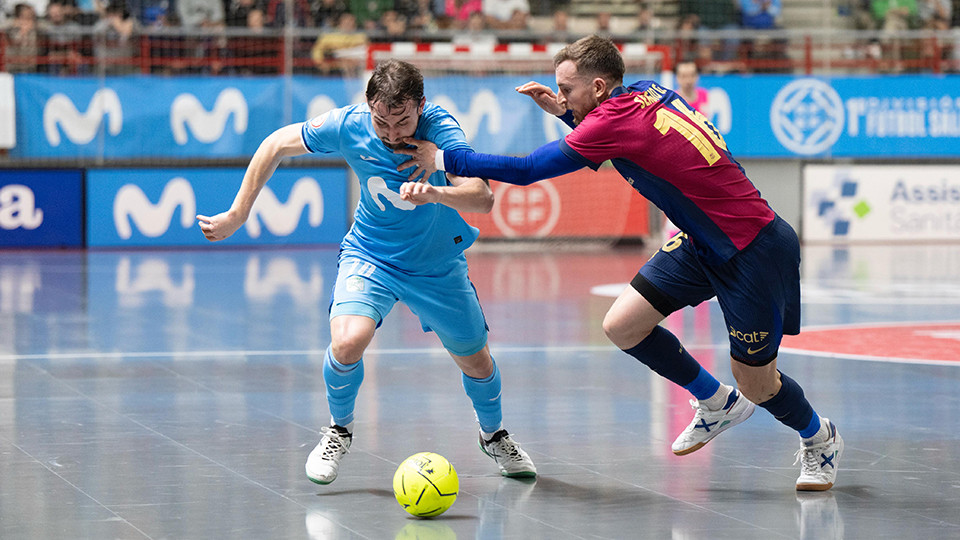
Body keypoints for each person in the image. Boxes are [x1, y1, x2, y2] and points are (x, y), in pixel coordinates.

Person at [397, 35, 843, 492]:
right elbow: (612, 130)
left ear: (597, 86)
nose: (560, 97)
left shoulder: (612, 122)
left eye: (566, 90)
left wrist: (445, 156)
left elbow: (529, 169)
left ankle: (819, 437)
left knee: (757, 384)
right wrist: (566, 113)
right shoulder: (644, 93)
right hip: (703, 243)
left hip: (753, 251)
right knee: (623, 325)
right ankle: (715, 403)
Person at [196, 59, 537, 485]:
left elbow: (482, 198)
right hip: (371, 255)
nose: (393, 134)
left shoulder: (441, 131)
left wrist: (435, 189)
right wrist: (237, 213)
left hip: (436, 265)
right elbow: (275, 144)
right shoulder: (348, 125)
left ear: (421, 106)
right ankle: (339, 430)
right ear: (368, 107)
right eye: (382, 122)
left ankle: (493, 435)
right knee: (348, 340)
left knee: (477, 361)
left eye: (403, 121)